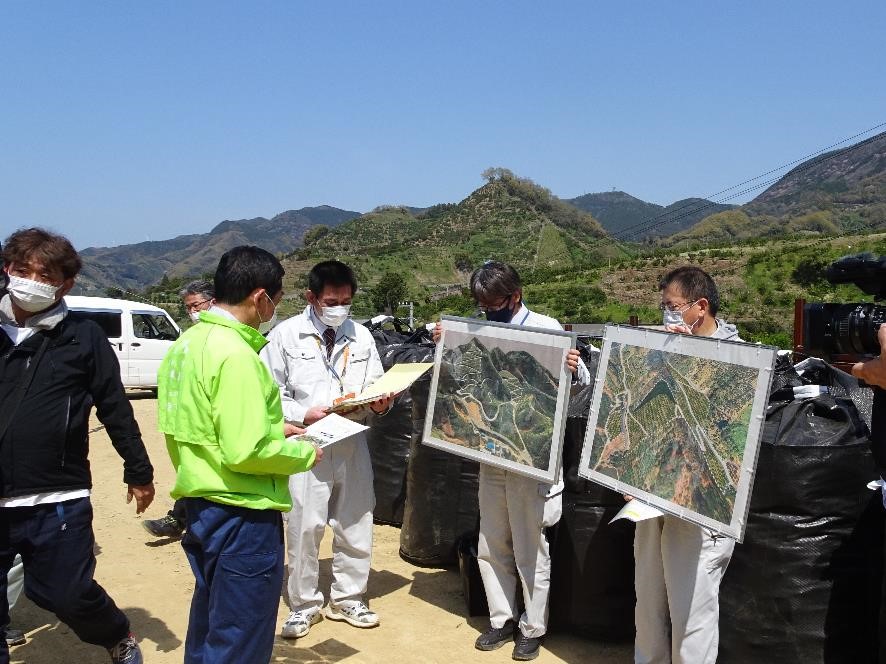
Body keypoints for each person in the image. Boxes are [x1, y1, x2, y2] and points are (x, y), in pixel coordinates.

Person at [157, 246, 319, 664]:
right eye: (278, 299)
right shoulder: (237, 355)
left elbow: (206, 423)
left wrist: (271, 427)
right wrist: (302, 454)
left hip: (202, 504)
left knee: (211, 623)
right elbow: (246, 450)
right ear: (260, 296)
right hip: (242, 513)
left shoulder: (188, 344)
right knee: (241, 634)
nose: (275, 308)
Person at [0, 227, 155, 664]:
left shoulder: (83, 337)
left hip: (57, 496)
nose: (30, 279)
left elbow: (115, 408)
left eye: (44, 274)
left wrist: (139, 471)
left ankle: (116, 633)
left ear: (65, 284)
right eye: (21, 269)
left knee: (63, 592)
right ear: (6, 270)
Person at [434, 261, 590, 661]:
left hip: (531, 457)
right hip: (491, 452)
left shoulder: (548, 329)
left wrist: (575, 370)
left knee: (529, 546)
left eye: (492, 303)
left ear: (514, 296)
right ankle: (501, 618)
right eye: (481, 304)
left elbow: (576, 392)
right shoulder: (478, 328)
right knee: (491, 540)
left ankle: (533, 627)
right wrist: (444, 343)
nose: (487, 311)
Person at [260, 260, 393, 639]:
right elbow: (271, 397)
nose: (340, 307)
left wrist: (382, 402)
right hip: (307, 443)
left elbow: (376, 385)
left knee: (356, 521)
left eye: (346, 301)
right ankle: (304, 604)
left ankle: (349, 597)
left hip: (351, 440)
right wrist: (304, 412)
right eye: (331, 300)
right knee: (304, 525)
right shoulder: (285, 337)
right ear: (311, 298)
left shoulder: (362, 337)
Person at [631, 265, 740, 664]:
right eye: (663, 307)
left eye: (672, 307)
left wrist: (691, 358)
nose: (667, 316)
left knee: (692, 611)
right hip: (649, 497)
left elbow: (725, 431)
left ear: (700, 306)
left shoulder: (737, 357)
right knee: (648, 602)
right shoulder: (660, 347)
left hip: (699, 508)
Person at [142, 279, 217, 540]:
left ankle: (179, 520)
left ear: (214, 302)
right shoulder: (190, 337)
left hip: (201, 425)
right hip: (183, 423)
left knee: (201, 477)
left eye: (196, 306)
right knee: (192, 475)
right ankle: (181, 519)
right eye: (188, 308)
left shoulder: (219, 338)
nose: (193, 312)